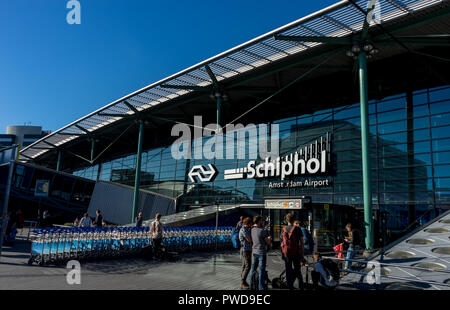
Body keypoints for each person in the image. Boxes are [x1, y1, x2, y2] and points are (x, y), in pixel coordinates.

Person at [281, 214, 304, 290]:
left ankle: (290, 287)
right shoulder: (298, 229)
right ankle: (300, 286)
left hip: (287, 253)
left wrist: (282, 253)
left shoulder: (283, 229)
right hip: (296, 252)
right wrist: (302, 254)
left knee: (288, 270)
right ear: (293, 220)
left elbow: (282, 243)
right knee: (297, 270)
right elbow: (302, 242)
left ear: (286, 220)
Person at [249, 215, 270, 291]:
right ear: (259, 221)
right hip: (261, 252)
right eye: (261, 220)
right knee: (261, 270)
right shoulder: (262, 231)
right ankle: (261, 287)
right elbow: (268, 242)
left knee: (253, 269)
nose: (262, 222)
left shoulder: (252, 229)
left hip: (254, 252)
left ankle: (251, 285)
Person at [239, 217, 253, 289]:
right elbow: (249, 239)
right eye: (251, 223)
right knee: (248, 266)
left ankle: (243, 281)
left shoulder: (246, 229)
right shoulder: (243, 230)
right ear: (248, 223)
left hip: (246, 249)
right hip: (245, 250)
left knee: (244, 265)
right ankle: (242, 281)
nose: (251, 224)